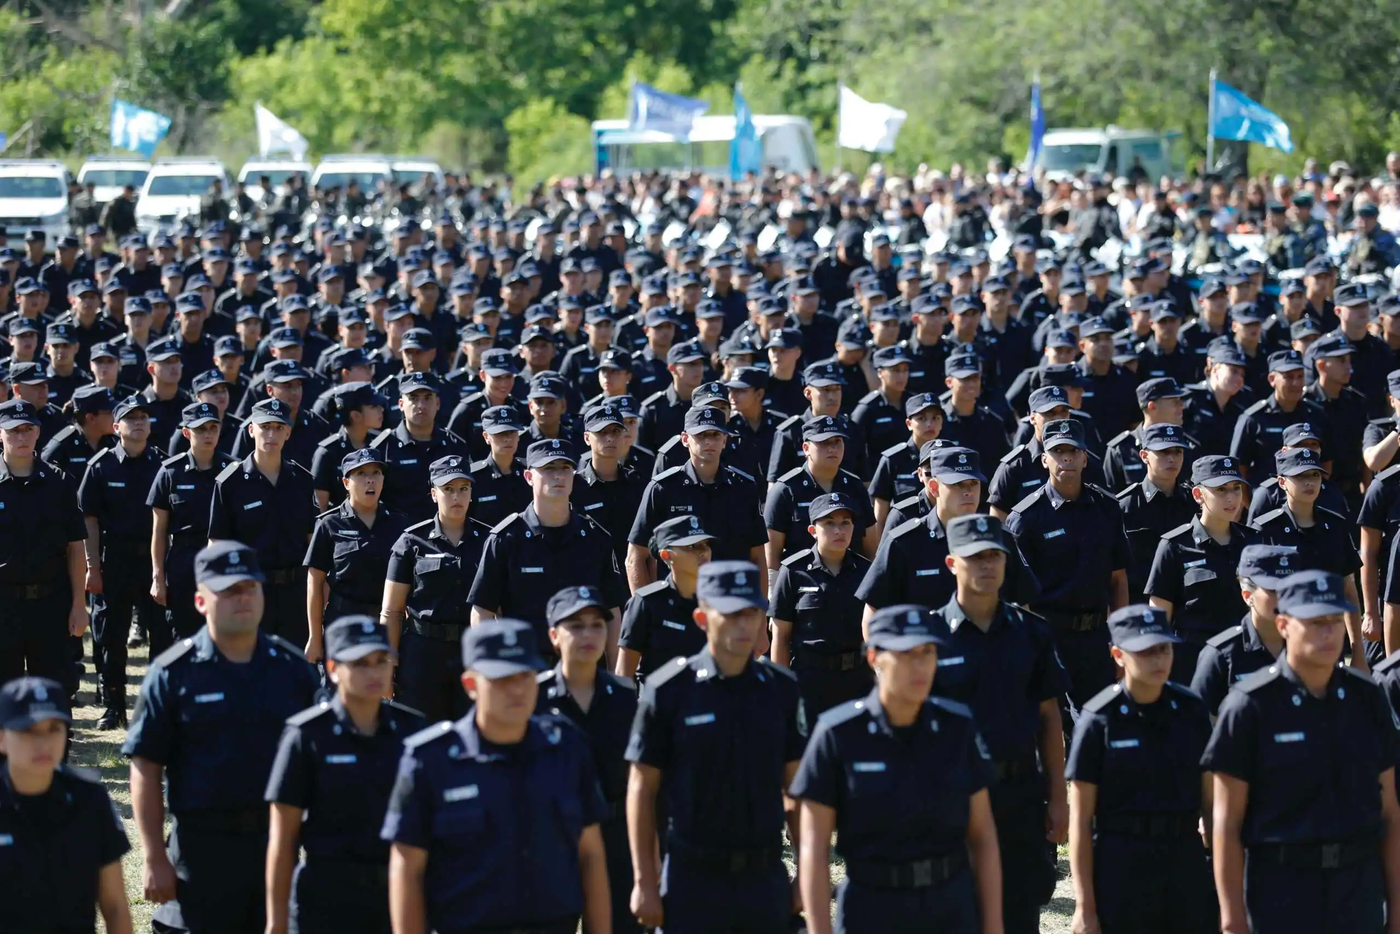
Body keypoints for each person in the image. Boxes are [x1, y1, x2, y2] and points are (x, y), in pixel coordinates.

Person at [123, 541, 318, 934]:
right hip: (200, 851)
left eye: (250, 587)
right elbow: (145, 765)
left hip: (274, 847)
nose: (242, 597)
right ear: (199, 601)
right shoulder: (172, 673)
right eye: (228, 590)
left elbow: (320, 761)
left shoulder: (293, 671)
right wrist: (154, 857)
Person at [381, 617, 612, 934]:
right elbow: (407, 869)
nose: (517, 689)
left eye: (525, 675)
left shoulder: (568, 748)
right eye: (502, 679)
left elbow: (591, 854)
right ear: (471, 685)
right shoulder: (429, 761)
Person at [1202, 570, 1400, 934]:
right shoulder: (1249, 707)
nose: (1328, 632)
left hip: (1358, 891)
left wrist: (1397, 913)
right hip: (1281, 890)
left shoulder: (1367, 699)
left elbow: (1389, 812)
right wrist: (1231, 920)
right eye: (1314, 622)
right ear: (1283, 625)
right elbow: (1227, 824)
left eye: (1333, 620)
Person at [790, 604, 1003, 934]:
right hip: (872, 907)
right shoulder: (838, 734)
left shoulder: (956, 728)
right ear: (874, 658)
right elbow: (815, 849)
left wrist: (993, 926)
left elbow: (983, 836)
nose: (920, 665)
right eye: (907, 654)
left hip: (948, 907)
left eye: (928, 652)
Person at [624, 560, 805, 934]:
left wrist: (807, 868)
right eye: (731, 613)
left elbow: (796, 792)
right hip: (694, 880)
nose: (744, 624)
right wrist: (645, 880)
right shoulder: (669, 691)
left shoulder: (782, 690)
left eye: (752, 612)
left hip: (764, 877)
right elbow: (642, 790)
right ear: (702, 618)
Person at [926, 513, 1067, 934]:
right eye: (975, 557)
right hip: (951, 797)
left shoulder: (1032, 633)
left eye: (995, 556)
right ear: (952, 563)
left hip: (1018, 795)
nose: (987, 566)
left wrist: (1058, 799)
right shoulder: (929, 637)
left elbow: (1048, 717)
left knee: (1020, 909)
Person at [264, 618, 425, 934]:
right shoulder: (306, 736)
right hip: (324, 902)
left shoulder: (413, 733)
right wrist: (276, 922)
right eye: (361, 663)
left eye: (381, 661)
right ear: (334, 668)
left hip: (393, 896)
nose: (374, 672)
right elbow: (283, 842)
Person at [1066, 604, 1216, 934]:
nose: (1158, 659)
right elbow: (1079, 820)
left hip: (1184, 860)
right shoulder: (1098, 720)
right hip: (1122, 864)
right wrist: (1084, 906)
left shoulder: (1191, 711)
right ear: (1118, 655)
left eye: (1163, 649)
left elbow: (1211, 803)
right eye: (1145, 651)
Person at [1003, 418, 1129, 720]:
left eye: (1074, 451)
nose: (1068, 458)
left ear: (1086, 457)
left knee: (1101, 721)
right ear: (1044, 459)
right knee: (1050, 721)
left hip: (1098, 637)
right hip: (1049, 636)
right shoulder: (1025, 518)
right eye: (1059, 451)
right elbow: (1018, 596)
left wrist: (1121, 637)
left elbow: (1118, 579)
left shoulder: (1107, 508)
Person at [537, 586, 642, 934]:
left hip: (615, 837)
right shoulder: (532, 699)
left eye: (597, 625)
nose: (589, 635)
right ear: (554, 635)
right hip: (550, 838)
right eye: (576, 626)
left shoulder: (625, 697)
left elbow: (640, 780)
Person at [0, 676, 133, 934]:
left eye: (54, 728)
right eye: (28, 730)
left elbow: (115, 906)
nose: (43, 743)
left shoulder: (89, 799)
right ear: (2, 738)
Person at [469, 438, 629, 652]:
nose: (558, 476)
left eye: (565, 468)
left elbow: (612, 613)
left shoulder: (595, 538)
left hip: (583, 670)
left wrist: (615, 677)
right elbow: (483, 612)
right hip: (525, 669)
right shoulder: (505, 539)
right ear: (528, 477)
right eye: (548, 468)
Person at [78, 394, 165, 728]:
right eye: (131, 418)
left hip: (153, 562)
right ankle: (114, 706)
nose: (139, 422)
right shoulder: (100, 466)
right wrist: (92, 568)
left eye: (144, 416)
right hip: (114, 562)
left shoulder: (162, 465)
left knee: (161, 636)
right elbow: (89, 521)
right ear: (116, 428)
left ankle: (155, 706)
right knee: (110, 637)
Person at [382, 455, 489, 724]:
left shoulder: (490, 542)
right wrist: (387, 664)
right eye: (448, 489)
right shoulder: (410, 542)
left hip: (470, 652)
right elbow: (392, 611)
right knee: (418, 734)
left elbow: (498, 607)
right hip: (422, 653)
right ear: (433, 494)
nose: (457, 496)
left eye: (463, 489)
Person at [208, 398, 317, 649]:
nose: (271, 434)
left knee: (294, 671)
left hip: (294, 592)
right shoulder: (230, 483)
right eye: (265, 426)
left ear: (288, 432)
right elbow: (217, 544)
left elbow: (311, 539)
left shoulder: (301, 480)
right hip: (249, 591)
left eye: (279, 427)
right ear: (251, 430)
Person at [1250, 447, 1370, 668]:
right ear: (1282, 481)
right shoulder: (1265, 530)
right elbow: (1254, 597)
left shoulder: (1335, 525)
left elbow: (1349, 591)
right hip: (1282, 646)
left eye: (1315, 475)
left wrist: (1358, 652)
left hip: (1329, 641)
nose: (1310, 482)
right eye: (1300, 476)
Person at [627, 405, 768, 593]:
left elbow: (757, 555)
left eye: (715, 435)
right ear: (685, 439)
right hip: (678, 605)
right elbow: (636, 556)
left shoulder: (744, 488)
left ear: (725, 440)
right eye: (701, 435)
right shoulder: (663, 488)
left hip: (732, 600)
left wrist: (760, 610)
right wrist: (645, 609)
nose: (709, 441)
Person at [0, 398, 89, 688]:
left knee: (53, 689)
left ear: (38, 432)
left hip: (51, 603)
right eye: (13, 431)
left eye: (27, 429)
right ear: (0, 434)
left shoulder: (59, 482)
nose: (21, 437)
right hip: (4, 605)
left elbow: (75, 547)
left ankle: (55, 736)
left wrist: (78, 605)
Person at [1142, 455, 1254, 683]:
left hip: (1246, 662)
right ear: (1198, 495)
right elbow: (1160, 618)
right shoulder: (1174, 546)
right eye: (1221, 490)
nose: (1231, 497)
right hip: (1193, 667)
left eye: (1236, 488)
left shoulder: (1254, 543)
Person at [770, 492, 874, 719]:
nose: (839, 530)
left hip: (858, 680)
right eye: (829, 523)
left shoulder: (867, 572)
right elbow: (780, 636)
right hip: (810, 682)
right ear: (812, 531)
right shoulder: (793, 572)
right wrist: (782, 689)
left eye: (845, 523)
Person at [303, 448, 409, 663]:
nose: (370, 481)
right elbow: (315, 583)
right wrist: (314, 637)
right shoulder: (329, 524)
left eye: (376, 473)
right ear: (345, 483)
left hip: (385, 625)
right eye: (361, 474)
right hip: (343, 623)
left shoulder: (400, 525)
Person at [149, 402, 234, 642]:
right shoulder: (170, 472)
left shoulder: (233, 471)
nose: (208, 434)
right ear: (186, 433)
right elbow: (159, 531)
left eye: (212, 428)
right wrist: (158, 577)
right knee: (183, 634)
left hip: (223, 559)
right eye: (200, 429)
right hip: (184, 561)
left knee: (223, 633)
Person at [1190, 545, 1294, 716]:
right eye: (1274, 590)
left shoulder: (1311, 646)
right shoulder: (1222, 654)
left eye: (1291, 588)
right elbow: (1198, 723)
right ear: (1247, 596)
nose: (1285, 597)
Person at [765, 415, 879, 567]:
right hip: (803, 584)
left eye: (837, 442)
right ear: (806, 448)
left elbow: (870, 550)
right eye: (824, 442)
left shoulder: (855, 487)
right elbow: (772, 558)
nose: (832, 448)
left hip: (851, 581)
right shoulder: (786, 490)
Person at [615, 515, 715, 682]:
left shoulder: (720, 602)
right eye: (692, 547)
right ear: (666, 556)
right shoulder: (646, 604)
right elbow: (623, 675)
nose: (703, 552)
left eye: (705, 545)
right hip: (660, 704)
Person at [1116, 422, 1195, 602]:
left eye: (1177, 452)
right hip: (1140, 604)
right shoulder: (1125, 505)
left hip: (1187, 606)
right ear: (1144, 456)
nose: (1172, 458)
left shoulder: (1194, 502)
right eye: (1163, 452)